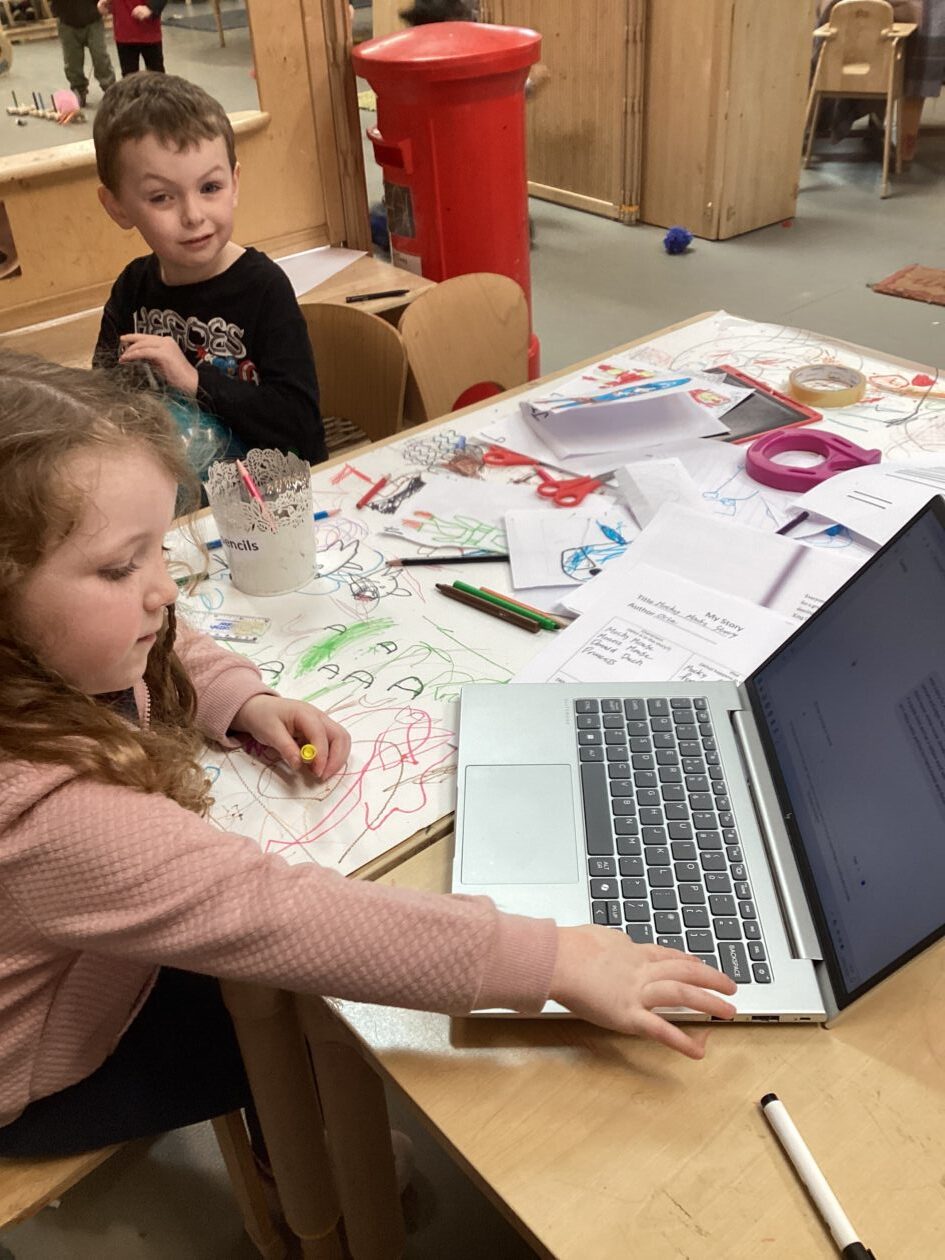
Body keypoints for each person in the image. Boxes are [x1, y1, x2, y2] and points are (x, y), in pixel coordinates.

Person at [0, 351, 737, 1157]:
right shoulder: (51, 813)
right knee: (318, 1023)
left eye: (158, 551)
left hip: (77, 946)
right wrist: (556, 959)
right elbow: (277, 913)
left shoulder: (53, 649)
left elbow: (167, 639)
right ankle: (310, 1180)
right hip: (43, 1068)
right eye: (120, 567)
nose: (165, 590)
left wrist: (239, 698)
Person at [92, 72, 327, 473]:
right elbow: (104, 401)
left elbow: (301, 427)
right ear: (117, 207)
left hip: (274, 495)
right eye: (161, 197)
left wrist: (194, 380)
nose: (193, 215)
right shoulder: (132, 288)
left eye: (210, 188)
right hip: (172, 494)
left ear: (234, 183)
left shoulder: (264, 288)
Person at [50, 0, 116, 108]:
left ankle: (110, 88)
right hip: (66, 20)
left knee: (100, 56)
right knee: (72, 61)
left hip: (93, 17)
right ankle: (78, 89)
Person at [97, 0, 166, 77]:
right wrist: (107, 4)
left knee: (157, 76)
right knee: (128, 77)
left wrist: (151, 8)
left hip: (148, 32)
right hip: (124, 32)